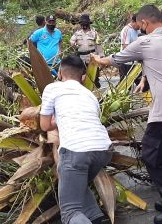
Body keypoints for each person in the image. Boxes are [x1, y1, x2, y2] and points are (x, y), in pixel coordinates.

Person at [92, 5, 162, 224]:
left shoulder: (145, 42)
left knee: (150, 154)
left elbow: (113, 60)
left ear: (146, 23)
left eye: (140, 26)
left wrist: (96, 60)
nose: (141, 29)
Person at [39, 55, 112, 224]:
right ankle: (97, 218)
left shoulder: (53, 88)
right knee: (78, 186)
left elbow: (44, 125)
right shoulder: (89, 95)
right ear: (83, 76)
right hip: (103, 149)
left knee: (70, 212)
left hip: (76, 151)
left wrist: (56, 119)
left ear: (60, 73)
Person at [70, 14, 103, 87]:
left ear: (88, 24)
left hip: (92, 58)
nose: (84, 25)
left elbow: (99, 45)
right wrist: (73, 43)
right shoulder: (77, 33)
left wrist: (101, 58)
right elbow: (71, 41)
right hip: (81, 58)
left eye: (85, 23)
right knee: (81, 77)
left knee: (94, 77)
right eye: (82, 23)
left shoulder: (94, 34)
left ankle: (96, 92)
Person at [118, 15, 140, 80]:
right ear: (133, 22)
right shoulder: (127, 30)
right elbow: (125, 47)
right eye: (138, 24)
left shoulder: (139, 30)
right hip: (126, 62)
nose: (140, 26)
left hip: (136, 61)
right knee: (125, 83)